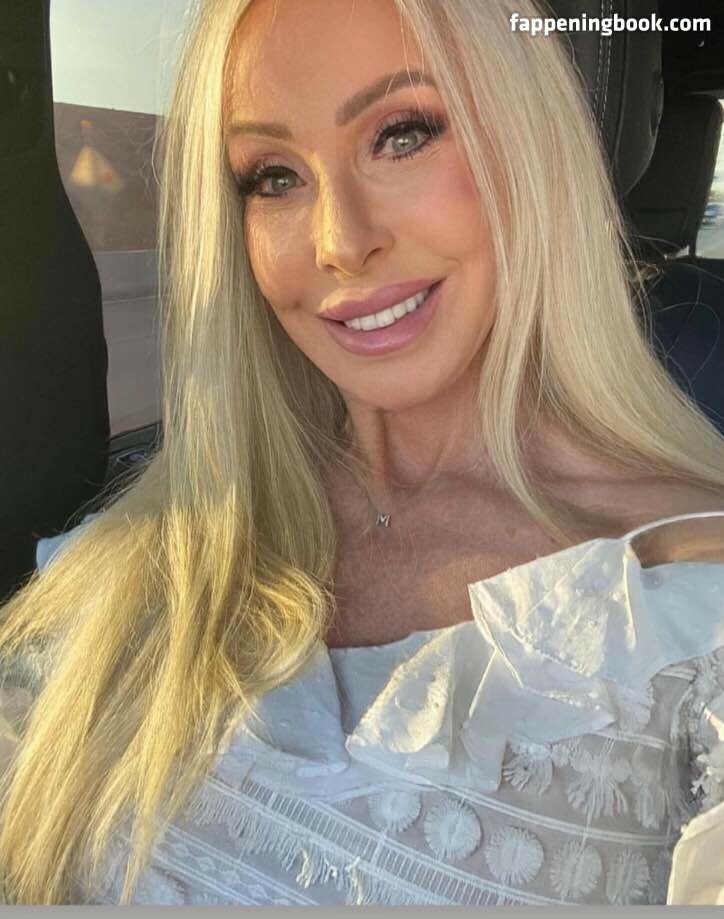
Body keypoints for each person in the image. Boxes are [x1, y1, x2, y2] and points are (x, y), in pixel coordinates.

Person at [1, 0, 724, 905]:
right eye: (273, 178)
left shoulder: (692, 607)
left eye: (403, 134)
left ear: (529, 144)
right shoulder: (159, 542)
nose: (340, 243)